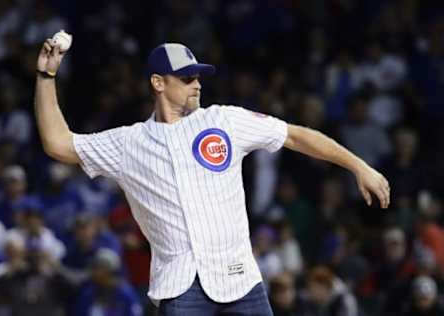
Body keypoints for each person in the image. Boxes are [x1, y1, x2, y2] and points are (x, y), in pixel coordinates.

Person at [34, 39, 390, 315]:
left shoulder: (223, 121)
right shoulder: (129, 142)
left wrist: (358, 165)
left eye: (199, 76)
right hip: (180, 287)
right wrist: (46, 77)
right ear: (158, 82)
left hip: (241, 279)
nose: (197, 84)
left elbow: (295, 134)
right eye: (187, 77)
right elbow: (57, 143)